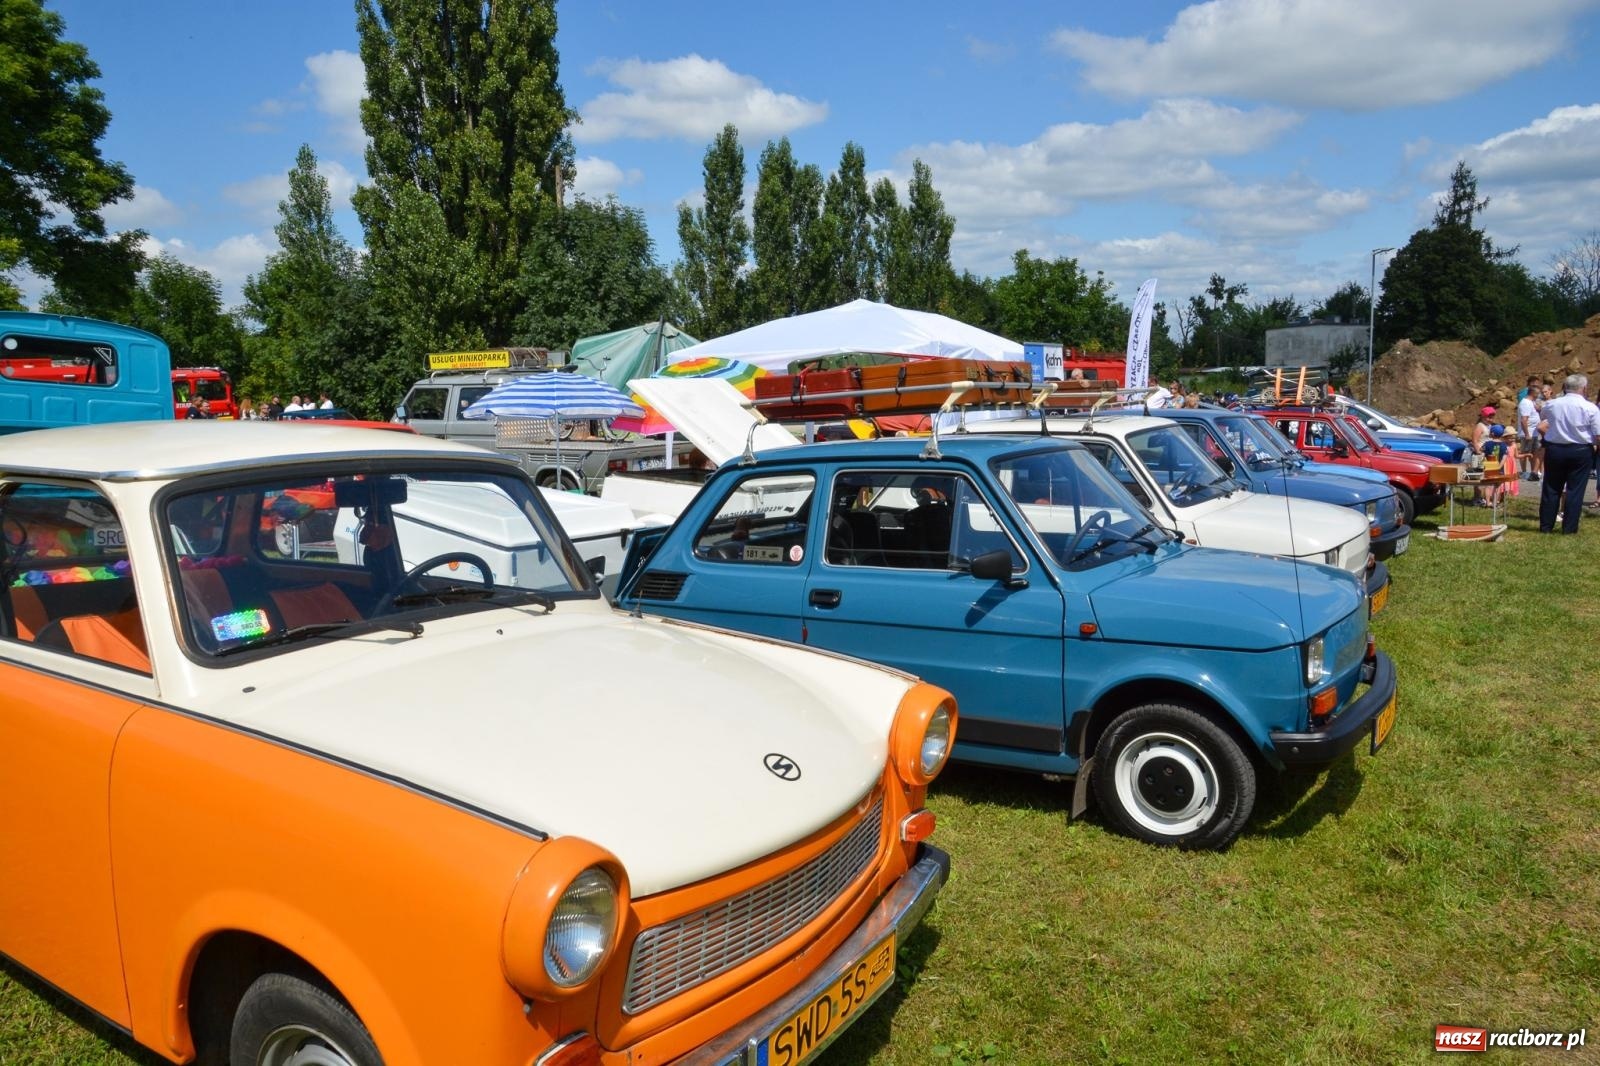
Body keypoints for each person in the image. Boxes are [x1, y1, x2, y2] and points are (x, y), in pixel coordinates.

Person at [1536, 374, 1600, 534]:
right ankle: (1569, 528)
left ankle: (1546, 526)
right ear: (1584, 388)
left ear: (1564, 387)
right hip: (1581, 450)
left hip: (1555, 449)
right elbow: (1598, 434)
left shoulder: (1551, 404)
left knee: (1551, 488)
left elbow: (1543, 420)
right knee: (1575, 490)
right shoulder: (1590, 408)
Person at [1517, 385, 1541, 480]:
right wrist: (1527, 434)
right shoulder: (1525, 403)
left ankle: (1533, 472)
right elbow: (1524, 420)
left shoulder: (1531, 402)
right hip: (1528, 433)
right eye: (1537, 393)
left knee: (1534, 453)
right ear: (1533, 393)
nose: (1539, 395)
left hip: (1534, 433)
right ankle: (1523, 472)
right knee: (1524, 453)